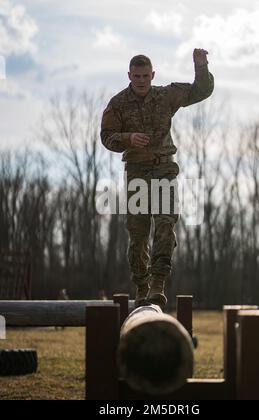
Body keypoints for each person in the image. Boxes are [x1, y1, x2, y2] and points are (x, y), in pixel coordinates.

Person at [101, 49, 214, 308]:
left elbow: (201, 90)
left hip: (164, 168)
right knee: (139, 235)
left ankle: (158, 283)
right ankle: (141, 285)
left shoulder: (165, 96)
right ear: (129, 75)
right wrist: (128, 138)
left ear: (153, 75)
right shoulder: (118, 104)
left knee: (165, 223)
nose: (141, 80)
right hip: (137, 172)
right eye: (136, 76)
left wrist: (201, 65)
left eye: (145, 76)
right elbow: (106, 136)